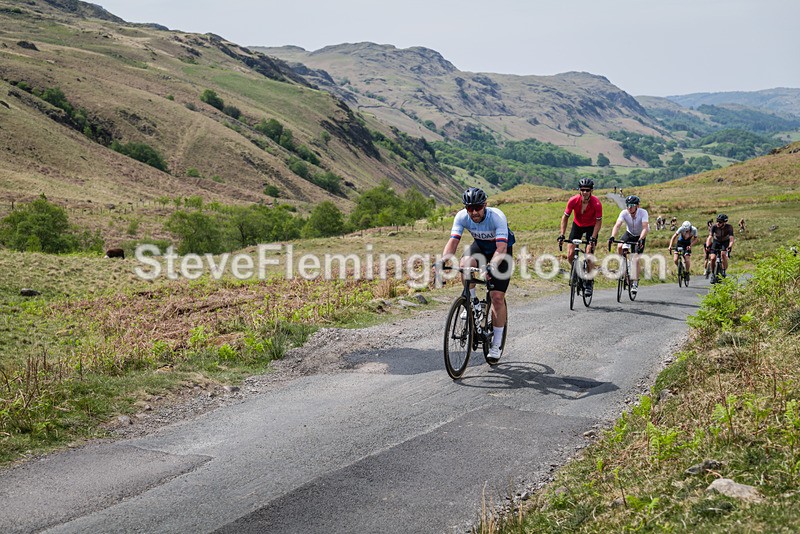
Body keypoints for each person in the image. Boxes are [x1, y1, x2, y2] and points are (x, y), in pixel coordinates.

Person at [440, 187, 515, 364]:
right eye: (470, 208)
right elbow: (453, 241)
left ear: (485, 205)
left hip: (501, 252)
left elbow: (501, 248)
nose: (474, 212)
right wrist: (443, 261)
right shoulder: (461, 217)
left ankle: (496, 344)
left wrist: (491, 267)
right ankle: (471, 301)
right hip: (480, 247)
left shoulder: (497, 216)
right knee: (464, 264)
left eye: (478, 207)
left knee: (497, 297)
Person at [558, 178, 602, 297]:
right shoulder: (573, 201)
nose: (585, 192)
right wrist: (562, 234)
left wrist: (593, 237)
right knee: (570, 255)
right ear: (579, 190)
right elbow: (565, 217)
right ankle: (577, 272)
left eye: (587, 190)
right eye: (582, 190)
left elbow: (599, 222)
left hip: (591, 227)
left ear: (591, 190)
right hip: (577, 225)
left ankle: (589, 281)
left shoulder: (596, 203)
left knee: (589, 254)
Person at [608, 195, 650, 295]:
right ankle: (623, 265)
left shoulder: (643, 212)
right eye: (628, 205)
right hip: (629, 234)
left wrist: (640, 240)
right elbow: (617, 225)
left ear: (637, 206)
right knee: (619, 246)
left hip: (640, 236)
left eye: (632, 205)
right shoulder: (624, 212)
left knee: (635, 259)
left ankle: (635, 282)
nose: (629, 207)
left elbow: (645, 228)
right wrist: (612, 236)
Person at [706, 213, 734, 278]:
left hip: (725, 242)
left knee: (723, 254)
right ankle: (713, 273)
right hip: (716, 241)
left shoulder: (729, 227)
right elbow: (710, 237)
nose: (718, 223)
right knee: (712, 258)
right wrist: (707, 245)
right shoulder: (714, 227)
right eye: (717, 221)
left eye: (720, 222)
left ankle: (724, 271)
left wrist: (730, 246)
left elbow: (731, 239)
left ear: (724, 222)